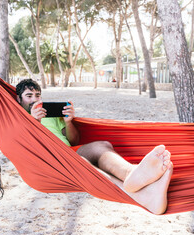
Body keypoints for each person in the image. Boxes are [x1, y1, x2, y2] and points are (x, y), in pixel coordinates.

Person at [16, 79, 173, 214]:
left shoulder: (49, 115)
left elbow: (74, 140)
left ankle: (131, 173)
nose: (34, 99)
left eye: (37, 95)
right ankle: (142, 197)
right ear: (19, 99)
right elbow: (30, 146)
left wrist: (69, 121)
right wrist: (34, 122)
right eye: (29, 96)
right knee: (81, 162)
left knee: (102, 145)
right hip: (52, 162)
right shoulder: (16, 119)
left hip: (69, 152)